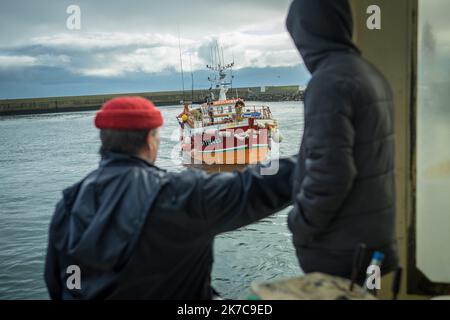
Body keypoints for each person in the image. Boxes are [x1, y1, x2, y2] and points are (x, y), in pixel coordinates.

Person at [44, 96, 296, 300]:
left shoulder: (67, 204)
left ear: (104, 141)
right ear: (151, 140)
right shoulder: (181, 193)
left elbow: (55, 282)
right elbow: (257, 187)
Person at [286, 0, 398, 280]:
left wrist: (299, 223)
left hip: (341, 252)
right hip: (373, 244)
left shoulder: (329, 82)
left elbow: (332, 172)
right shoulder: (370, 74)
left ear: (307, 31)